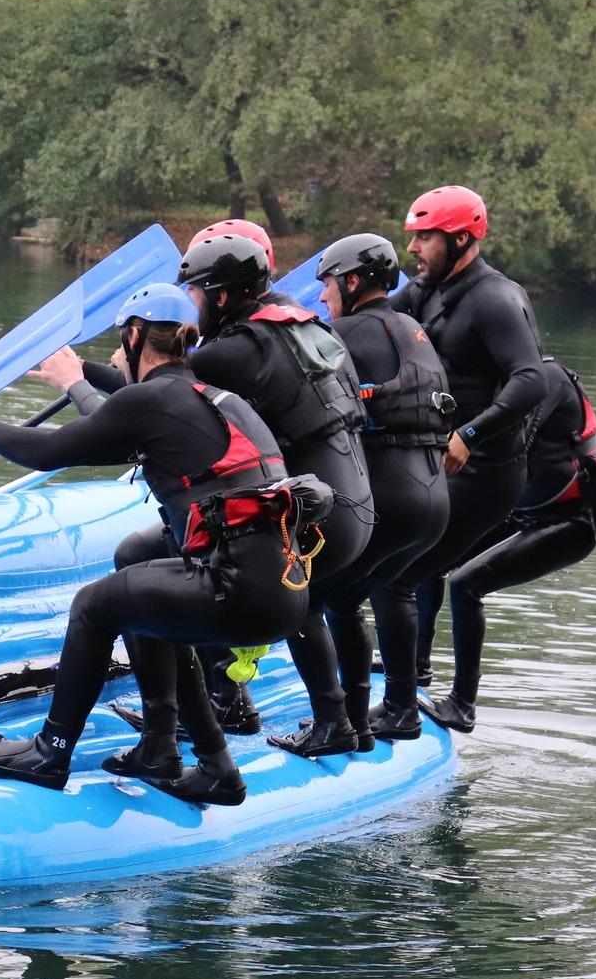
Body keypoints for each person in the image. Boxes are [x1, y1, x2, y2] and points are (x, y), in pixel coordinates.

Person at [0, 284, 312, 806]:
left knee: (95, 605)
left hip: (237, 586)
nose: (119, 355)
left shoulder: (154, 399)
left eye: (123, 343)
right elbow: (96, 433)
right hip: (285, 591)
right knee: (142, 585)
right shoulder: (211, 400)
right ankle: (193, 762)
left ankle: (49, 753)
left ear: (136, 333)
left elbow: (48, 451)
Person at [78, 234, 376, 752]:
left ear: (219, 296)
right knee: (172, 556)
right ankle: (284, 713)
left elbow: (149, 403)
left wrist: (76, 374)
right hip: (352, 501)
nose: (184, 309)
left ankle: (240, 719)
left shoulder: (235, 351)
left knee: (208, 566)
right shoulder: (294, 323)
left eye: (191, 293)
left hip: (318, 513)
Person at [266, 232, 452, 750]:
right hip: (434, 499)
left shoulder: (341, 331)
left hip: (389, 495)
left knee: (299, 599)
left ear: (351, 282)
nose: (321, 296)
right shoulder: (411, 326)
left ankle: (336, 726)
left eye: (326, 284)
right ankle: (376, 716)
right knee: (348, 599)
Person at [384, 184, 545, 691]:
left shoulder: (496, 298)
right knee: (409, 558)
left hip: (488, 470)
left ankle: (407, 701)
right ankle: (416, 668)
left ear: (460, 240)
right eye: (413, 238)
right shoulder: (426, 290)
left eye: (425, 238)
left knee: (398, 573)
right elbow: (373, 320)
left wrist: (469, 435)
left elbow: (530, 380)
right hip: (438, 462)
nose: (413, 249)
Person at [422, 359, 596, 732]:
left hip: (570, 522)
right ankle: (417, 667)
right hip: (524, 511)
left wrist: (464, 441)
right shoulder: (501, 388)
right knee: (430, 556)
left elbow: (512, 442)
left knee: (466, 584)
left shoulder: (546, 380)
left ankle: (463, 705)